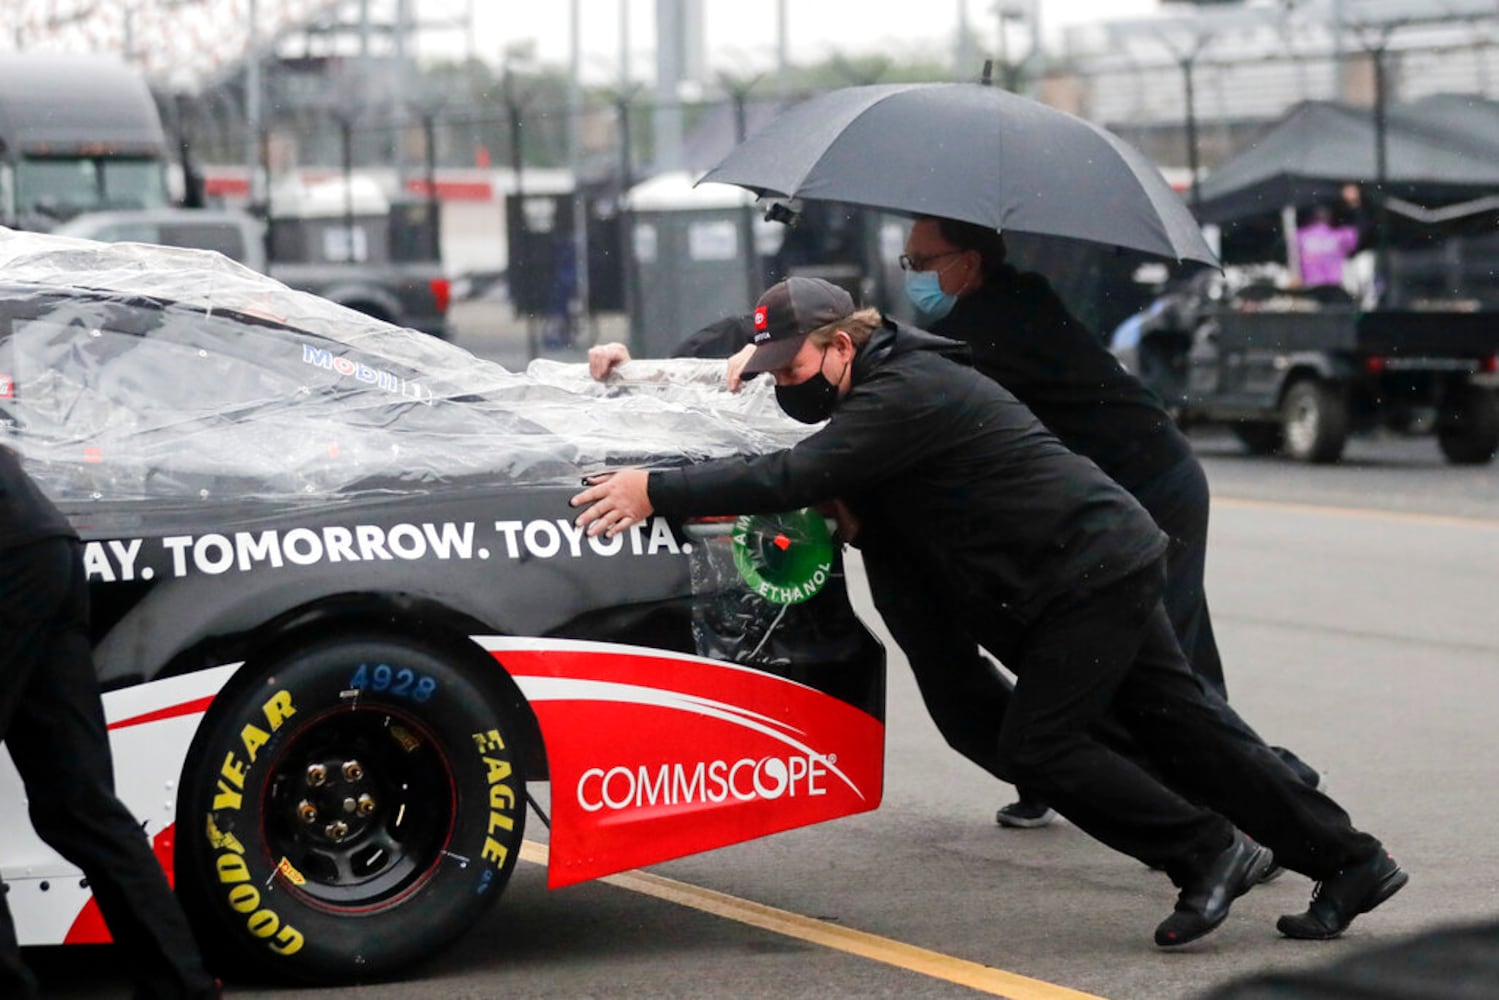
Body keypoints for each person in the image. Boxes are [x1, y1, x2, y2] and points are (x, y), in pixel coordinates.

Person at [572, 276, 1407, 948]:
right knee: (1184, 728)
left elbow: (793, 477)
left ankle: (1207, 851)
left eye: (791, 368)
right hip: (1076, 569)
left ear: (839, 345)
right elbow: (733, 360)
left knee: (1039, 744)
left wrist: (656, 489)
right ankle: (1351, 861)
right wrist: (636, 369)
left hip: (1087, 570)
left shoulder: (906, 392)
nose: (781, 382)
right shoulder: (872, 370)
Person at [893, 214, 1319, 829]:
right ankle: (1070, 775)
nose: (915, 277)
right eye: (910, 264)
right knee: (1121, 648)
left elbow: (925, 377)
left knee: (1162, 664)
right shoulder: (1007, 302)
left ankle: (1266, 786)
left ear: (969, 262)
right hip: (1110, 494)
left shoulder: (997, 319)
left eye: (923, 263)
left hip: (1152, 487)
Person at [0, 445, 220, 999]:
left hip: (9, 559)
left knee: (79, 804)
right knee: (78, 804)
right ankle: (182, 987)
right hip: (43, 545)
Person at [1296, 190, 1362, 290]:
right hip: (1321, 287)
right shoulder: (1301, 234)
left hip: (1323, 286)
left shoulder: (1300, 235)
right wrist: (1354, 203)